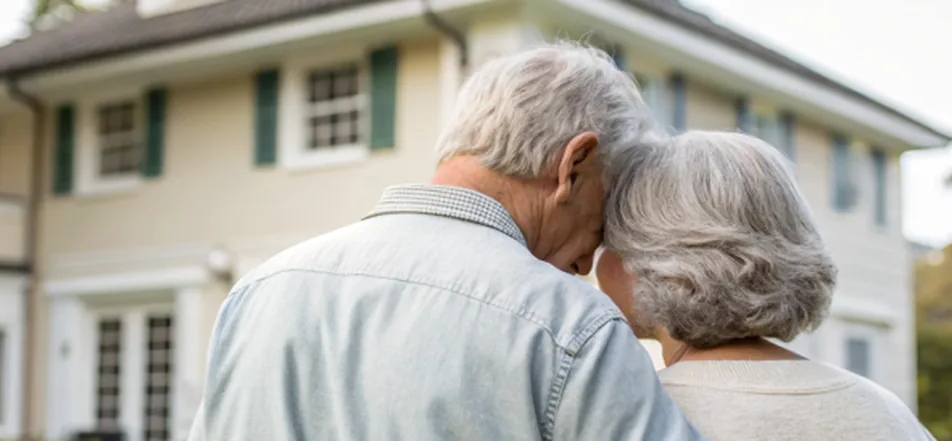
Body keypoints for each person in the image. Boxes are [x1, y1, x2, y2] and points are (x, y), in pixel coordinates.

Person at [187, 42, 703, 440]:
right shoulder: (569, 325)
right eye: (601, 219)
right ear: (574, 165)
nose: (587, 261)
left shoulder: (256, 293)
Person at [596, 130, 935, 440]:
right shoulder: (887, 415)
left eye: (605, 238)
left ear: (648, 260)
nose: (592, 261)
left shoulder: (626, 419)